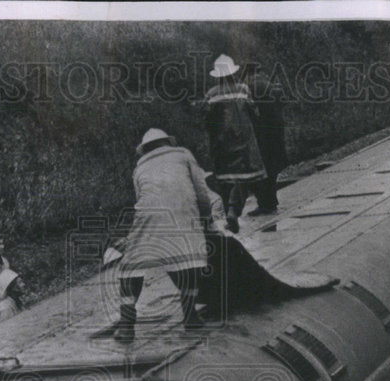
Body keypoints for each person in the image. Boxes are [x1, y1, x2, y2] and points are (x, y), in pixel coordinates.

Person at [110, 128, 221, 343]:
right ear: (166, 143)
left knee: (131, 266)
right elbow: (201, 192)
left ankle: (126, 325)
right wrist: (207, 220)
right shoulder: (184, 155)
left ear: (146, 149)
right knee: (189, 260)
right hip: (182, 212)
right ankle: (190, 315)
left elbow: (140, 197)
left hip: (148, 216)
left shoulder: (139, 168)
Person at [203, 54, 267, 232]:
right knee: (243, 177)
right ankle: (233, 210)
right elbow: (255, 112)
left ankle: (228, 212)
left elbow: (207, 120)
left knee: (225, 179)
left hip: (221, 144)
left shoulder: (211, 94)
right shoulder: (243, 89)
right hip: (245, 141)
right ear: (232, 73)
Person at [242, 62, 287, 216]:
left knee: (260, 169)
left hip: (261, 133)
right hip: (276, 131)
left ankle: (265, 204)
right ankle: (271, 202)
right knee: (272, 168)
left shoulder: (251, 87)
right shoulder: (271, 85)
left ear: (248, 73)